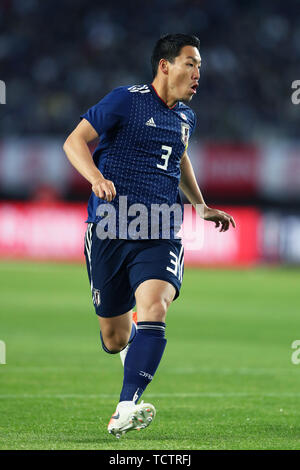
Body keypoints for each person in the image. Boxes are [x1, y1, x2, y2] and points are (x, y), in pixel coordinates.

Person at [63, 33, 235, 439]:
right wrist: (96, 177)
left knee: (155, 305)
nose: (197, 74)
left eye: (200, 67)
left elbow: (179, 157)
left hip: (160, 228)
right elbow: (74, 142)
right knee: (114, 336)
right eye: (190, 63)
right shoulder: (125, 99)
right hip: (108, 228)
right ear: (165, 65)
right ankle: (133, 351)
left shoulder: (186, 118)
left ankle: (126, 407)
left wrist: (200, 205)